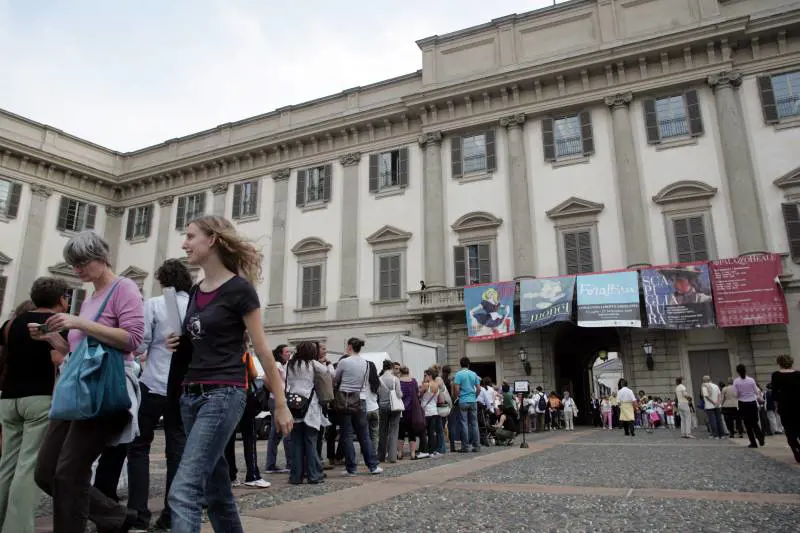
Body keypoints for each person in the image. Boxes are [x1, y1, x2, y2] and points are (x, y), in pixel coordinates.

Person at [166, 215, 292, 533]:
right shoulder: (196, 291)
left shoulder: (239, 290)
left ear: (212, 240)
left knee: (184, 491)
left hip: (223, 393)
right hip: (190, 396)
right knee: (216, 489)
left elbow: (262, 350)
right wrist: (179, 341)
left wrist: (280, 403)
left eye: (190, 236)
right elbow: (199, 341)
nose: (184, 243)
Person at [33, 231, 145, 533]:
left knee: (69, 473)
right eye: (73, 264)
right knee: (45, 472)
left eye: (82, 262)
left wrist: (79, 322)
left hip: (103, 388)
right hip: (78, 387)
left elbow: (133, 340)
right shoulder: (91, 297)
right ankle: (116, 517)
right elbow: (82, 351)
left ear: (101, 257)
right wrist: (54, 339)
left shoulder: (125, 288)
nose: (77, 269)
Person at [126, 259, 192, 531]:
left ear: (163, 280)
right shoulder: (195, 305)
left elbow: (140, 342)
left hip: (153, 382)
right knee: (177, 449)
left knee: (138, 447)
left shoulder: (154, 303)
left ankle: (139, 513)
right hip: (182, 386)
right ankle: (171, 513)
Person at [0, 279, 69, 533]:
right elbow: (62, 357)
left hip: (9, 399)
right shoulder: (58, 325)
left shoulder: (12, 323)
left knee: (7, 463)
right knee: (28, 466)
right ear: (62, 299)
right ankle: (17, 528)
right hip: (40, 398)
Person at [334, 338, 382, 476]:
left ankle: (351, 468)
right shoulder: (366, 364)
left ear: (349, 347)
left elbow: (336, 379)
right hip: (361, 400)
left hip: (345, 400)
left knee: (347, 435)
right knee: (364, 435)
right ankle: (372, 466)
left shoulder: (344, 362)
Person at [285, 342, 328, 484]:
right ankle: (313, 475)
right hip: (310, 407)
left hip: (293, 405)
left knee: (296, 443)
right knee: (310, 442)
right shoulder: (313, 364)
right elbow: (328, 372)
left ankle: (295, 476)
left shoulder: (290, 365)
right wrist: (325, 361)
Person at [265, 344, 292, 475]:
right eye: (286, 352)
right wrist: (277, 393)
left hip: (280, 399)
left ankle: (273, 464)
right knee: (278, 432)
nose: (289, 353)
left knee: (277, 433)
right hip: (276, 400)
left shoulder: (284, 365)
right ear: (280, 354)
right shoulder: (276, 365)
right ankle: (272, 464)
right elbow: (266, 379)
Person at [771, 354, 800, 463]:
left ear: (779, 363)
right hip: (798, 406)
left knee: (789, 430)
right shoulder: (798, 374)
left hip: (785, 406)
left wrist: (776, 406)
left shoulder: (776, 375)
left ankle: (797, 451)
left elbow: (774, 394)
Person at [452, 357, 481, 452]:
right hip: (472, 400)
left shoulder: (458, 374)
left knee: (464, 423)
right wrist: (475, 396)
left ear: (461, 364)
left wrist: (458, 397)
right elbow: (478, 388)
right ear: (468, 364)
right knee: (474, 423)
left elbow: (456, 389)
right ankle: (476, 446)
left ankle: (465, 446)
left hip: (463, 400)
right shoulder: (474, 374)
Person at [733, 364, 765, 449]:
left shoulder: (736, 381)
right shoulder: (751, 380)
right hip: (752, 402)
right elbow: (756, 391)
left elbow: (736, 394)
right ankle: (760, 437)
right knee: (755, 422)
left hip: (743, 403)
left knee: (747, 425)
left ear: (737, 371)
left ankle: (753, 443)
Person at [377, 360, 402, 463]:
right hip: (394, 407)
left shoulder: (379, 379)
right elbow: (399, 394)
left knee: (382, 431)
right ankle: (392, 456)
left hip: (382, 406)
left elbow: (377, 393)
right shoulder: (395, 379)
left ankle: (381, 456)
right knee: (393, 430)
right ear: (391, 367)